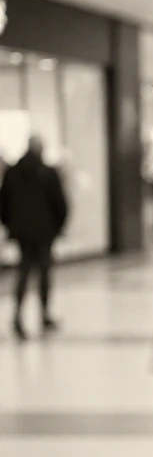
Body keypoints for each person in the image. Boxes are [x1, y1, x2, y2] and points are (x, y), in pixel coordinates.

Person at [0, 136, 69, 342]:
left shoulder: (12, 173)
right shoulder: (48, 173)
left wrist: (11, 225)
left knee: (24, 272)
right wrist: (58, 227)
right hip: (44, 232)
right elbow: (60, 204)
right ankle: (44, 314)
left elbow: (2, 202)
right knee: (44, 272)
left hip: (22, 232)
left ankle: (18, 316)